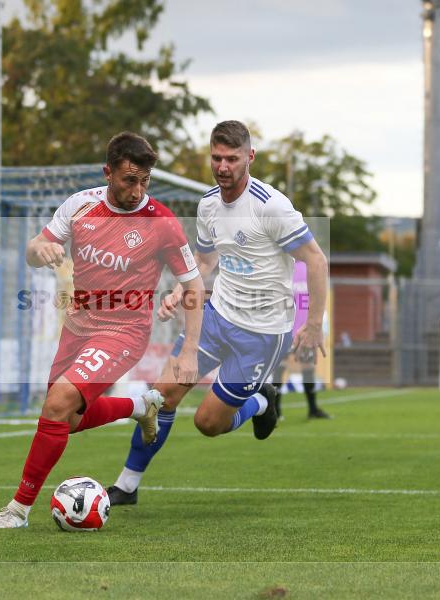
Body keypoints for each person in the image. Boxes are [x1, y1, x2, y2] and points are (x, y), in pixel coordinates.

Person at [0, 132, 205, 529]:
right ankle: (139, 406)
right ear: (108, 173)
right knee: (63, 419)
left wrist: (188, 352)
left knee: (57, 405)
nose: (137, 190)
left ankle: (17, 510)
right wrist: (42, 250)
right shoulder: (80, 205)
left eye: (144, 181)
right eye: (128, 180)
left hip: (124, 331)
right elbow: (35, 249)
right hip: (78, 326)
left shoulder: (162, 223)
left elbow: (193, 285)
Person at [106, 120, 329, 506]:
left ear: (249, 157)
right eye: (216, 158)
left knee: (208, 424)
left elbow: (315, 259)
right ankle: (126, 486)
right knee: (160, 398)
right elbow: (205, 260)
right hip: (216, 316)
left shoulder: (271, 206)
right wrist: (180, 289)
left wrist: (313, 325)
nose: (223, 166)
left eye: (231, 158)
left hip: (261, 334)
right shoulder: (208, 203)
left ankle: (262, 402)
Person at [271, 260, 330, 419]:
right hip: (284, 329)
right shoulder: (283, 266)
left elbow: (317, 297)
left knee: (307, 368)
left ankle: (312, 409)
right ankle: (275, 410)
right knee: (280, 368)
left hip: (305, 330)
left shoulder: (311, 267)